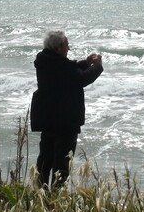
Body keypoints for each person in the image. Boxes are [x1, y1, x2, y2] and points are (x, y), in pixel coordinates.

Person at [31, 30, 103, 187]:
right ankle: (56, 199)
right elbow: (81, 78)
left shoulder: (46, 61)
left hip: (48, 118)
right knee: (62, 165)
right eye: (66, 45)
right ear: (58, 48)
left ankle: (39, 194)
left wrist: (85, 62)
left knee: (45, 161)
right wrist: (97, 66)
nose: (68, 48)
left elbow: (70, 71)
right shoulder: (60, 65)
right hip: (65, 121)